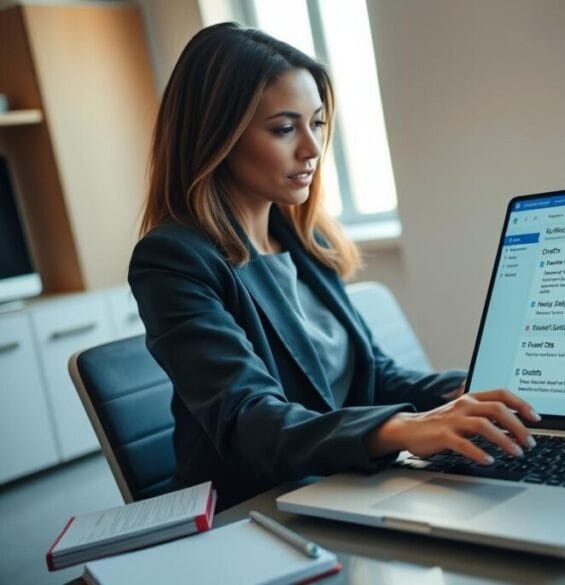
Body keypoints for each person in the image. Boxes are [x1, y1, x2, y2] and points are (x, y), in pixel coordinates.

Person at [130, 23, 539, 511]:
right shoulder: (174, 258)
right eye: (284, 128)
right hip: (256, 509)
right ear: (218, 135)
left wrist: (472, 391)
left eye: (318, 124)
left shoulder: (304, 239)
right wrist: (407, 428)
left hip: (345, 487)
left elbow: (372, 377)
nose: (311, 149)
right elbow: (250, 421)